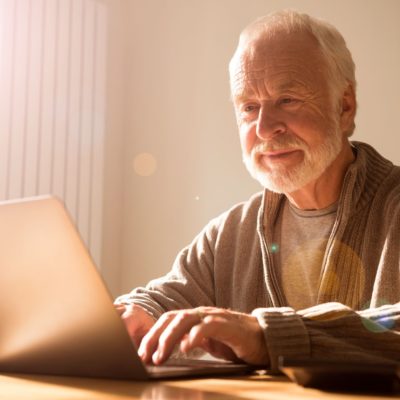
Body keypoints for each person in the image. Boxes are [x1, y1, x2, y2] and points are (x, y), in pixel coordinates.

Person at [114, 10, 400, 371]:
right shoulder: (229, 234)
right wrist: (136, 314)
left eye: (288, 99)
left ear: (344, 107)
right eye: (249, 107)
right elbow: (166, 298)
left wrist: (269, 336)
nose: (265, 128)